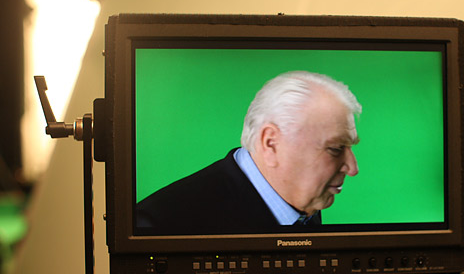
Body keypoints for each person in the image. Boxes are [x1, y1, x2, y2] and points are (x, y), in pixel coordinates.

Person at [136, 71, 361, 233]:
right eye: (335, 149)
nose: (353, 168)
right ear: (271, 143)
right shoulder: (158, 224)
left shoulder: (300, 199)